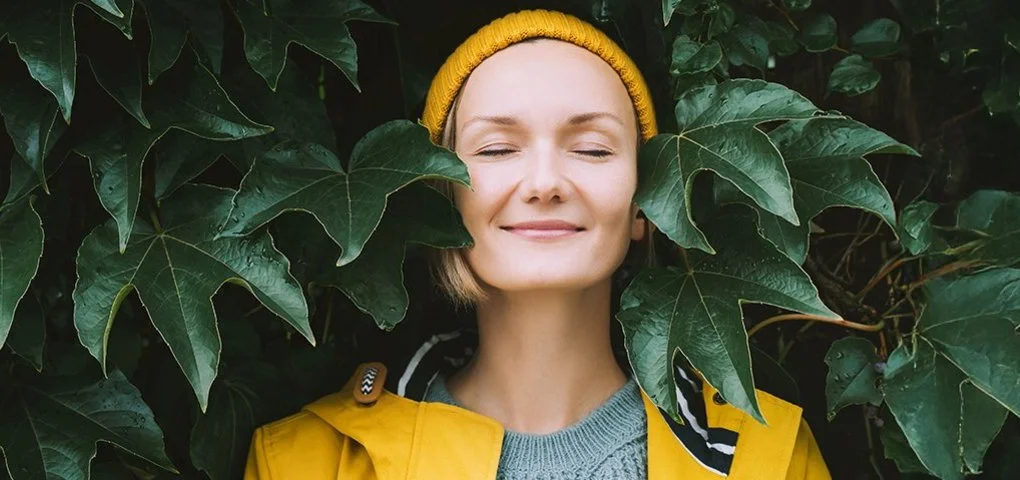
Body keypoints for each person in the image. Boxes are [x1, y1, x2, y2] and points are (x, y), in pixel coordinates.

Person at [243, 9, 830, 480]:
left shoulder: (770, 461)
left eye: (593, 148)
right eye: (498, 149)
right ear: (441, 197)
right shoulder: (304, 463)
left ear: (645, 204)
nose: (546, 182)